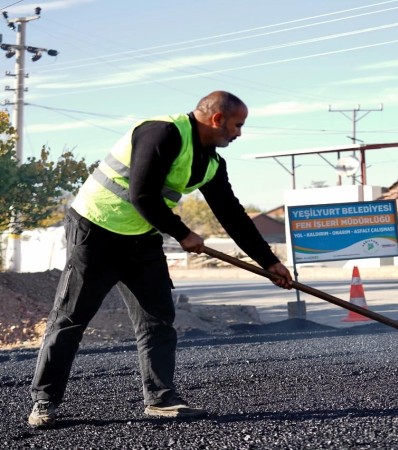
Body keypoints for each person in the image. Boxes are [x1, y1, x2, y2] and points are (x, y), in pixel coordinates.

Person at [27, 91, 294, 428]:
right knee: (71, 318)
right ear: (216, 119)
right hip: (96, 230)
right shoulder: (162, 132)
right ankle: (44, 402)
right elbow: (141, 193)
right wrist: (183, 233)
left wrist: (268, 262)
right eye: (237, 125)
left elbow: (232, 215)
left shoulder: (210, 163)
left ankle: (161, 399)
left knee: (157, 319)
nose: (239, 133)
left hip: (142, 236)